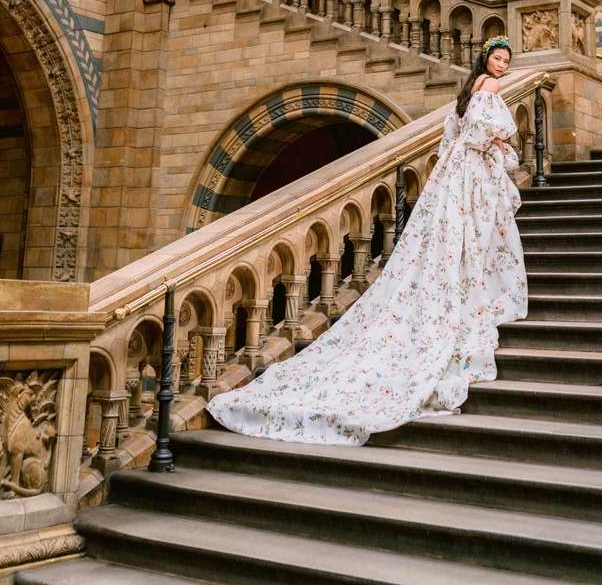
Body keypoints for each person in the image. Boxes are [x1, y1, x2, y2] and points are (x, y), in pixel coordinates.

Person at [208, 36, 526, 446]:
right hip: (472, 171)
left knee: (460, 238)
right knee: (472, 237)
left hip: (458, 170)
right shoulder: (491, 88)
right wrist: (499, 143)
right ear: (487, 59)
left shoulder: (469, 91)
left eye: (506, 61)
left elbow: (456, 134)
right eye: (497, 59)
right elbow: (484, 132)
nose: (501, 66)